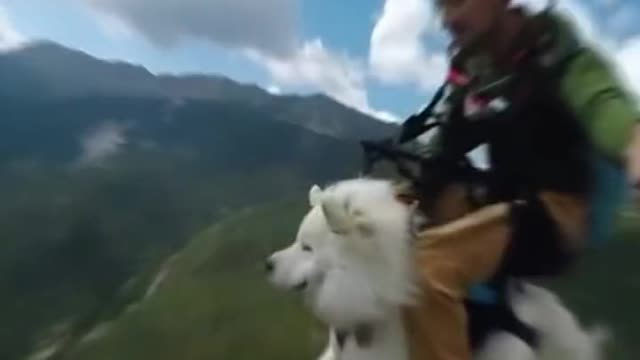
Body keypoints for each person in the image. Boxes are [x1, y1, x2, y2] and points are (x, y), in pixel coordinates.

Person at [395, 1, 640, 359]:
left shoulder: (556, 53)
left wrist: (633, 143)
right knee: (398, 229)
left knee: (431, 270)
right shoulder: (475, 73)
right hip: (504, 201)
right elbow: (444, 149)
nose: (449, 19)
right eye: (441, 7)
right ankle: (484, 319)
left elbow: (602, 103)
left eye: (459, 2)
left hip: (554, 214)